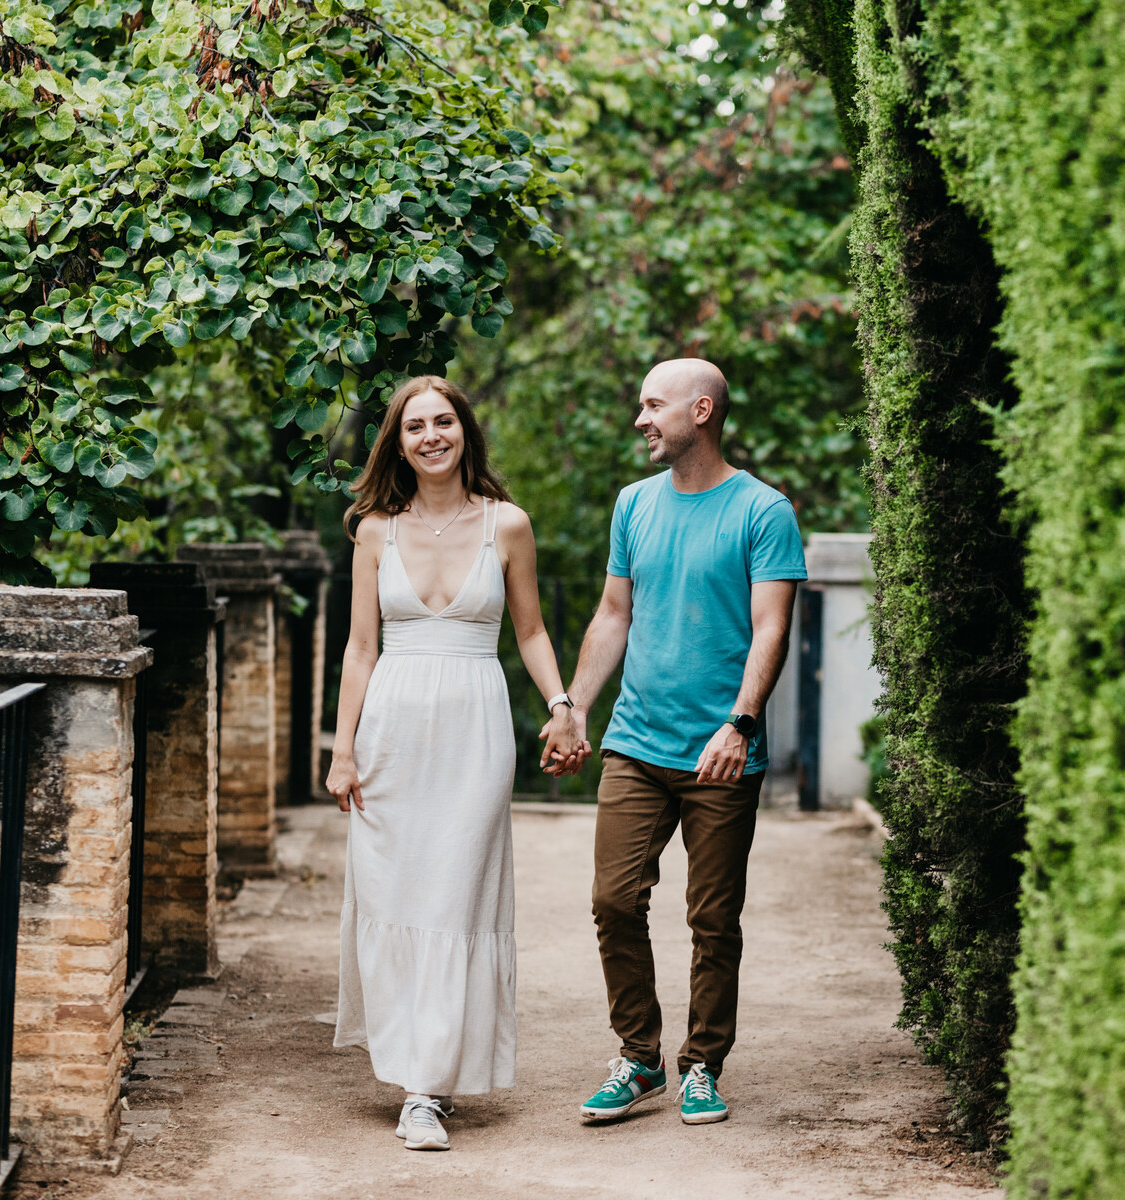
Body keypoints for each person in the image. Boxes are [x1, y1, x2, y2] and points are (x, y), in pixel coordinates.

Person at [325, 375, 586, 1151]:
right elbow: (360, 648)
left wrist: (562, 703)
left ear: (465, 431)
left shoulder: (507, 525)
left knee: (454, 897)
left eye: (444, 421)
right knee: (394, 892)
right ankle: (414, 1071)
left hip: (474, 729)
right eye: (415, 426)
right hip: (392, 733)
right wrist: (342, 749)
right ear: (397, 442)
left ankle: (427, 1090)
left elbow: (531, 633)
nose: (431, 435)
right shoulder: (374, 530)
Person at [543, 357, 806, 1126]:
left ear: (700, 410)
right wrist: (574, 707)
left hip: (721, 751)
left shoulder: (764, 510)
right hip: (636, 743)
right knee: (613, 900)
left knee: (712, 919)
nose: (640, 420)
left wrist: (741, 724)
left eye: (652, 406)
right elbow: (613, 614)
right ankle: (638, 1058)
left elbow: (771, 628)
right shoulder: (634, 504)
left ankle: (702, 1064)